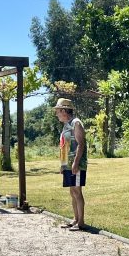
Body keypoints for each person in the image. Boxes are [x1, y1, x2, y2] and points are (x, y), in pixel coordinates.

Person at [53, 97, 87, 231]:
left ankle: (81, 222)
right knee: (72, 192)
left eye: (58, 111)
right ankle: (75, 219)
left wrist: (76, 163)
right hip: (68, 164)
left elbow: (81, 144)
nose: (56, 114)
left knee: (77, 191)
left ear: (64, 110)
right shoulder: (66, 125)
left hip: (76, 164)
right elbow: (64, 146)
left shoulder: (76, 123)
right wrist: (63, 164)